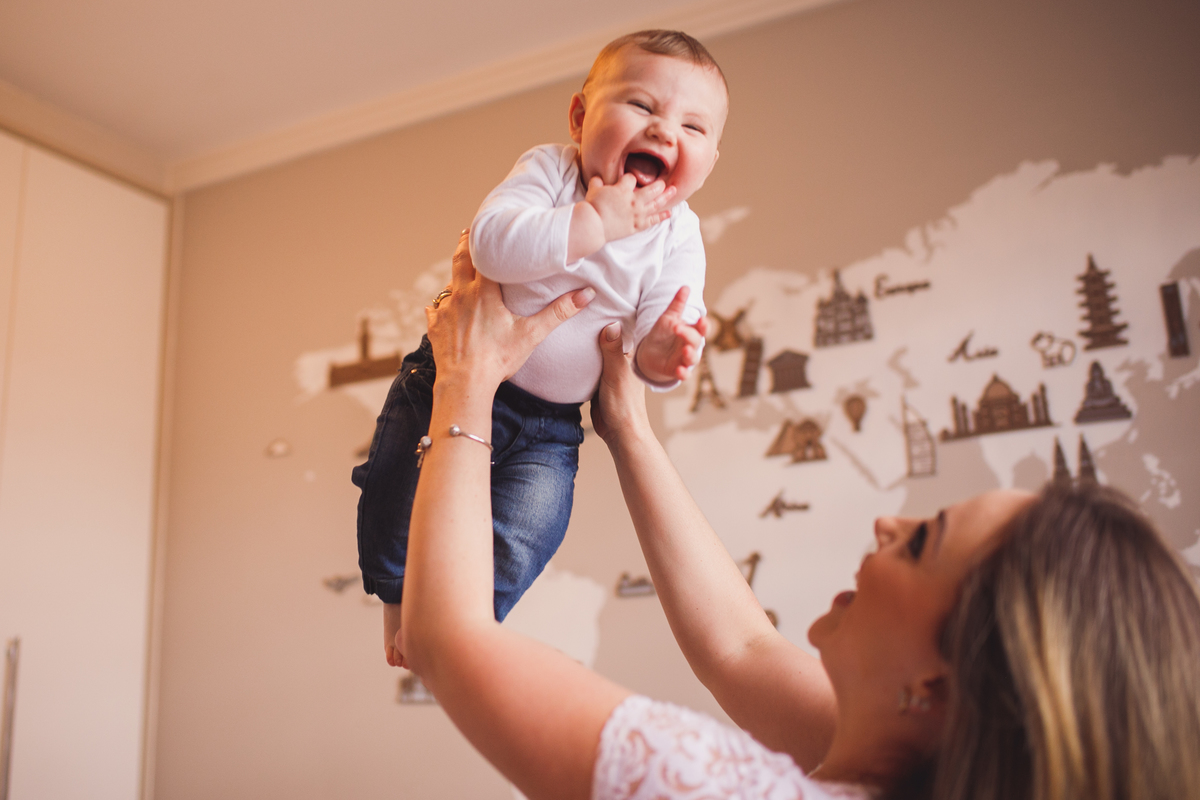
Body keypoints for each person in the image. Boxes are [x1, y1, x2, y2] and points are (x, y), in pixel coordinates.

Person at [398, 232, 1200, 800]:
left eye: (922, 544)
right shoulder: (922, 763)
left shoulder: (712, 787)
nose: (889, 525)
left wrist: (464, 380)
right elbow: (740, 648)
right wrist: (627, 424)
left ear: (936, 684)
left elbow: (451, 640)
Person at [353, 29, 727, 666]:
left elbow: (649, 337)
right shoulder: (552, 172)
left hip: (553, 425)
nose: (665, 132)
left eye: (693, 127)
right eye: (642, 107)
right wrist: (593, 223)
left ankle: (467, 625)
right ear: (582, 118)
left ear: (709, 163)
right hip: (448, 376)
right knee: (396, 490)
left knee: (532, 524)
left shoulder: (679, 236)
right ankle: (397, 607)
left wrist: (664, 352)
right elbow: (493, 244)